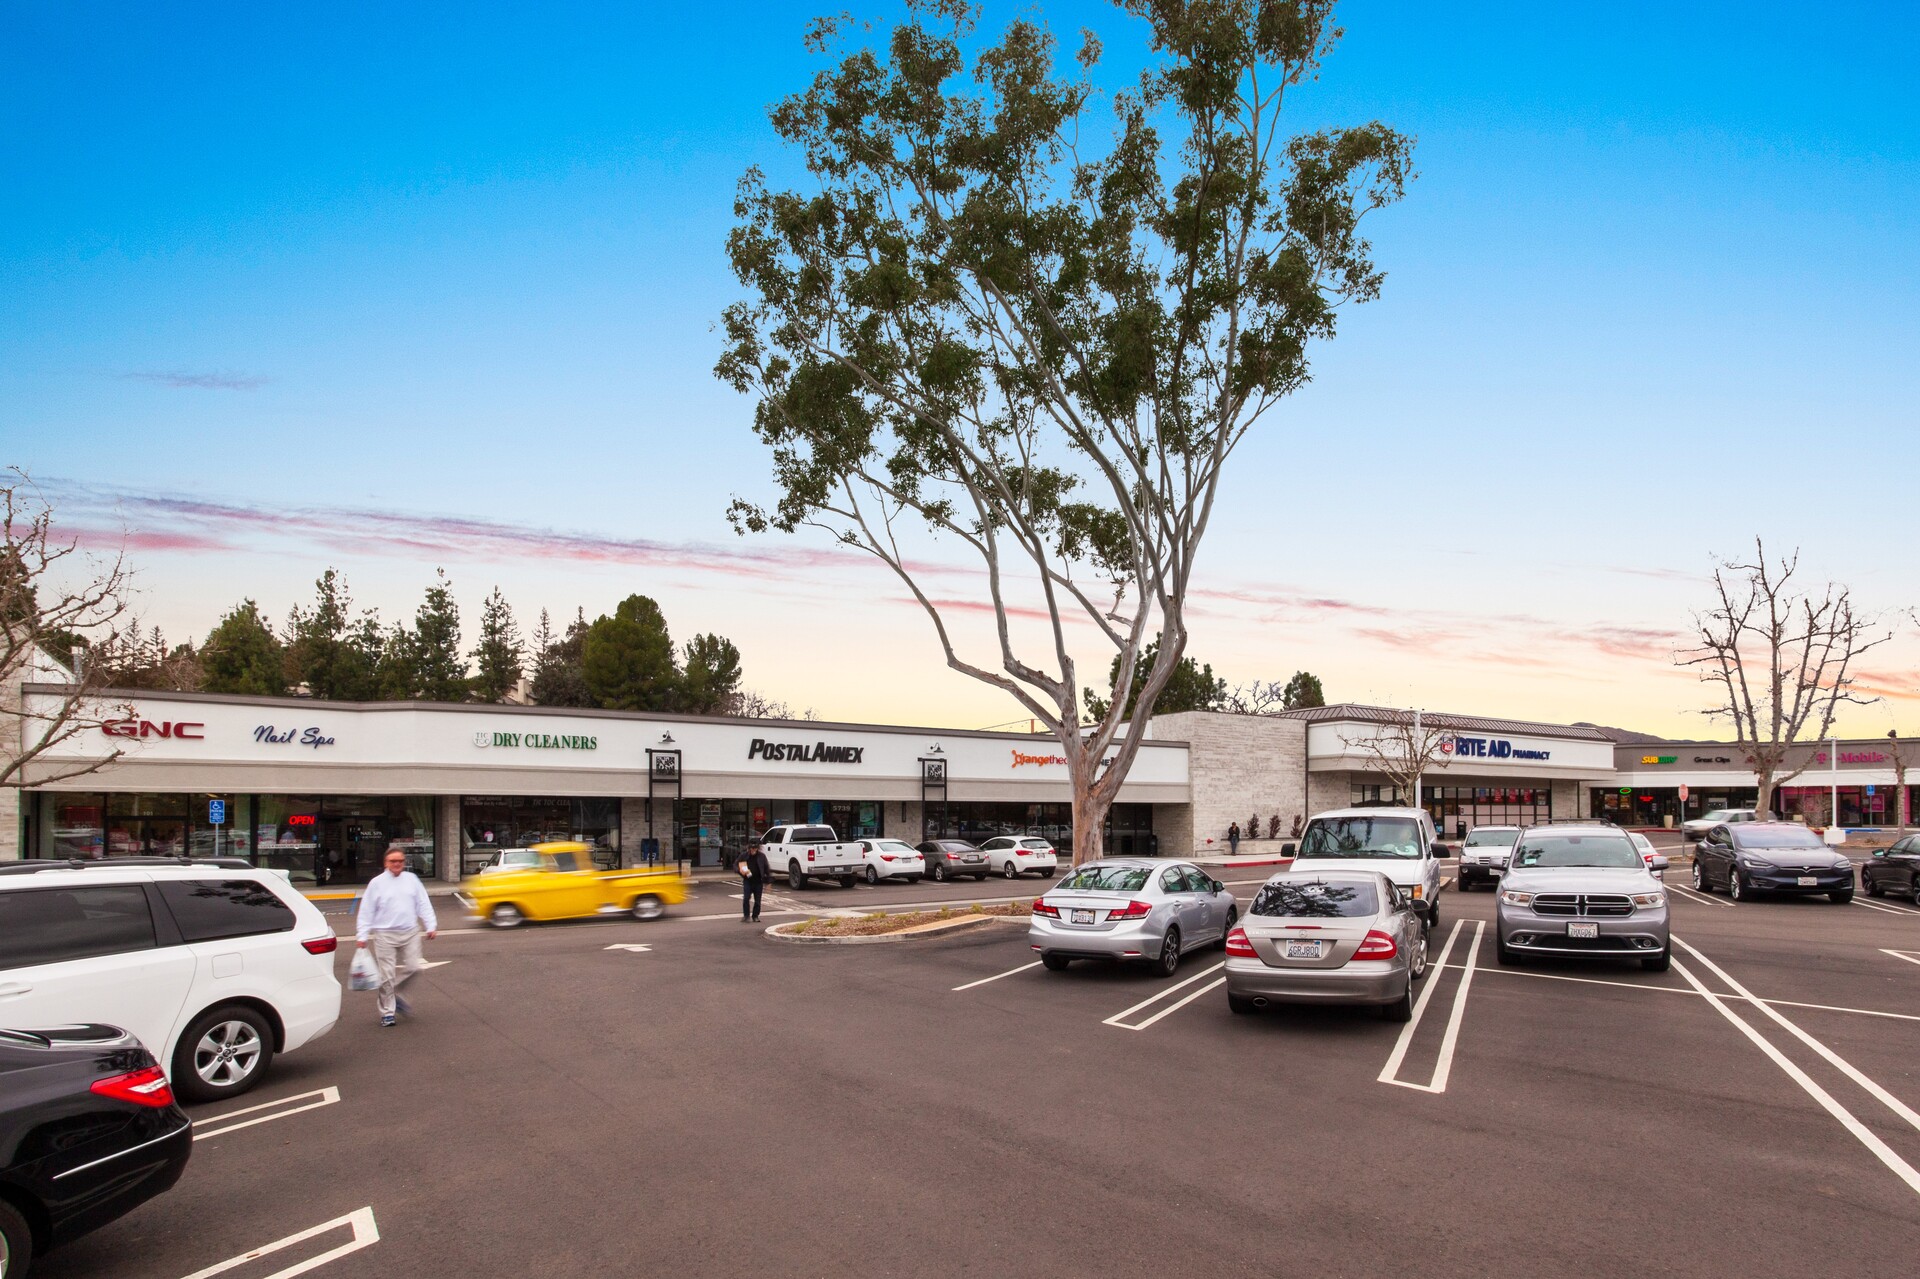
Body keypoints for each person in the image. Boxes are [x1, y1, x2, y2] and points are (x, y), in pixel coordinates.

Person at [355, 846, 438, 1028]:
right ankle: (387, 1013)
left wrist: (431, 925)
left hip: (410, 932)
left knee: (415, 968)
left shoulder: (412, 879)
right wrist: (362, 935)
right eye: (393, 861)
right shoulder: (376, 883)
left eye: (400, 861)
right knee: (387, 977)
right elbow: (366, 911)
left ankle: (395, 994)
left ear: (404, 862)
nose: (397, 864)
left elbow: (423, 902)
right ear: (386, 863)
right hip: (385, 935)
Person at [738, 842, 771, 924]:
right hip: (748, 880)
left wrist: (768, 882)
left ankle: (755, 916)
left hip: (758, 881)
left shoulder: (762, 856)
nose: (753, 850)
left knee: (757, 900)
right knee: (746, 898)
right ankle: (746, 916)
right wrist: (741, 871)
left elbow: (767, 869)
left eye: (755, 848)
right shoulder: (744, 855)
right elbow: (736, 864)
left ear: (757, 848)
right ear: (749, 848)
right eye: (751, 848)